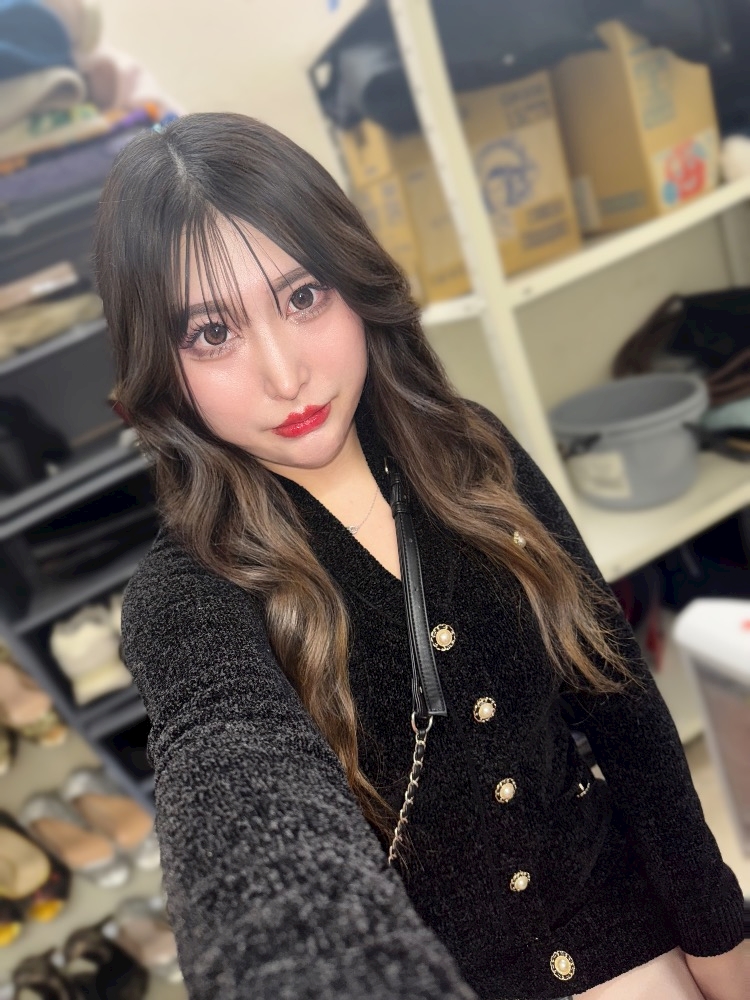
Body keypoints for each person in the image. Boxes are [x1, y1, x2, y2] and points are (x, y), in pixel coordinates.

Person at [93, 112, 747, 1000]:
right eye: (213, 333)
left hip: (630, 927)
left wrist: (719, 936)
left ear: (352, 281)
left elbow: (622, 703)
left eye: (302, 296)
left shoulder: (470, 450)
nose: (285, 373)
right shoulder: (187, 598)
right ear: (160, 364)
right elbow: (236, 796)